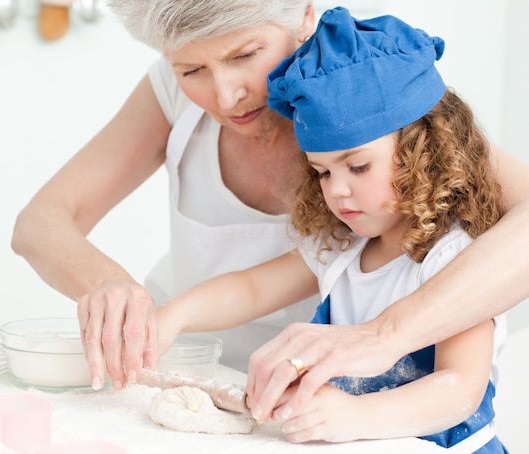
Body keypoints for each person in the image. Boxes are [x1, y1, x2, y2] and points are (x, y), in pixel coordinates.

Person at [11, 0, 529, 396]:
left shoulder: (371, 96)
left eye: (245, 55)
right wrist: (110, 286)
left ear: (304, 15)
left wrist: (384, 334)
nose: (226, 94)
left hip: (317, 398)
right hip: (190, 373)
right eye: (191, 70)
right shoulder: (169, 97)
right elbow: (41, 222)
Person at [156, 8, 507, 452]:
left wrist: (356, 415)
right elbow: (251, 289)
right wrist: (172, 316)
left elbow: (459, 388)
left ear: (425, 150)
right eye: (321, 172)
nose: (337, 190)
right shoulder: (342, 243)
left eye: (357, 166)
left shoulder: (451, 257)